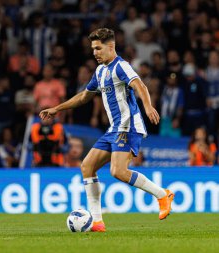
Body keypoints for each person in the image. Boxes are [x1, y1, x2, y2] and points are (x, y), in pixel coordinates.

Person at [39, 28, 174, 232]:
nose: (95, 52)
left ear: (111, 46)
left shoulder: (121, 66)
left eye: (98, 48)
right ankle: (97, 222)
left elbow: (140, 86)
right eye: (93, 48)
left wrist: (147, 106)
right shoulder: (100, 71)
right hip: (113, 129)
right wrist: (57, 108)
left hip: (128, 126)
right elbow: (84, 96)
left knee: (117, 171)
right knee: (87, 167)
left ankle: (162, 194)